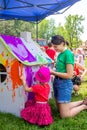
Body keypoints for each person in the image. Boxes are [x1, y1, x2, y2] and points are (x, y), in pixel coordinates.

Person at [50, 35, 87, 118]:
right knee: (59, 109)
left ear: (62, 43)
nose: (54, 48)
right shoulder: (60, 54)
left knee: (64, 115)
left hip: (64, 84)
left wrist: (53, 73)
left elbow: (69, 75)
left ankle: (84, 106)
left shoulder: (68, 54)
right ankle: (82, 102)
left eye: (56, 46)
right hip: (57, 82)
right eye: (53, 46)